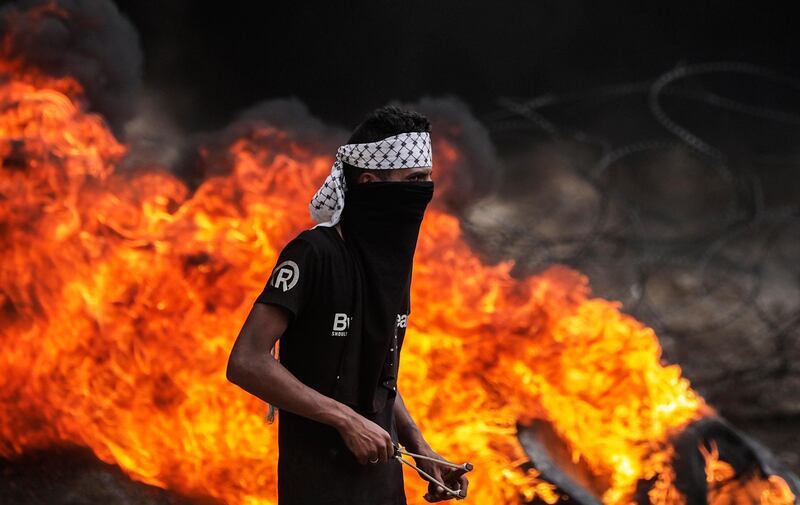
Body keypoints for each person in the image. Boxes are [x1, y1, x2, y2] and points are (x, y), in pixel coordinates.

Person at [226, 105, 469, 504]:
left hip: (384, 487)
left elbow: (377, 375)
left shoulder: (391, 265)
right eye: (413, 180)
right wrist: (345, 420)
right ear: (370, 183)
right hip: (318, 487)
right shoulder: (313, 254)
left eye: (427, 179)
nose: (424, 191)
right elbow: (246, 362)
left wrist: (420, 447)